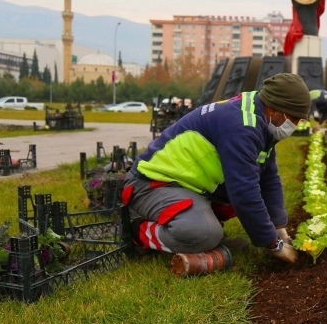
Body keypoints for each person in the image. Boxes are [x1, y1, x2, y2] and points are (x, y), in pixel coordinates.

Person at [122, 73, 311, 273]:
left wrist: (279, 226)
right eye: (294, 119)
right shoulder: (243, 126)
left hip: (187, 185)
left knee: (246, 202)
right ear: (274, 109)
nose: (296, 125)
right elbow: (244, 192)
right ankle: (137, 230)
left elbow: (268, 178)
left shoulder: (259, 117)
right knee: (204, 234)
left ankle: (198, 225)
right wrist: (273, 244)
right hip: (152, 183)